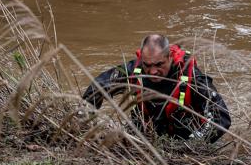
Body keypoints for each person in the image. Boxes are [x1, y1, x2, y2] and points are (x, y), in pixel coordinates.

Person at [82, 34, 231, 143]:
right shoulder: (134, 70)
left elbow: (220, 117)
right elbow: (98, 88)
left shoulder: (192, 77)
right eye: (148, 65)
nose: (153, 71)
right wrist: (85, 120)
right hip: (146, 137)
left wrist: (192, 145)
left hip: (185, 139)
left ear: (170, 57)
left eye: (159, 64)